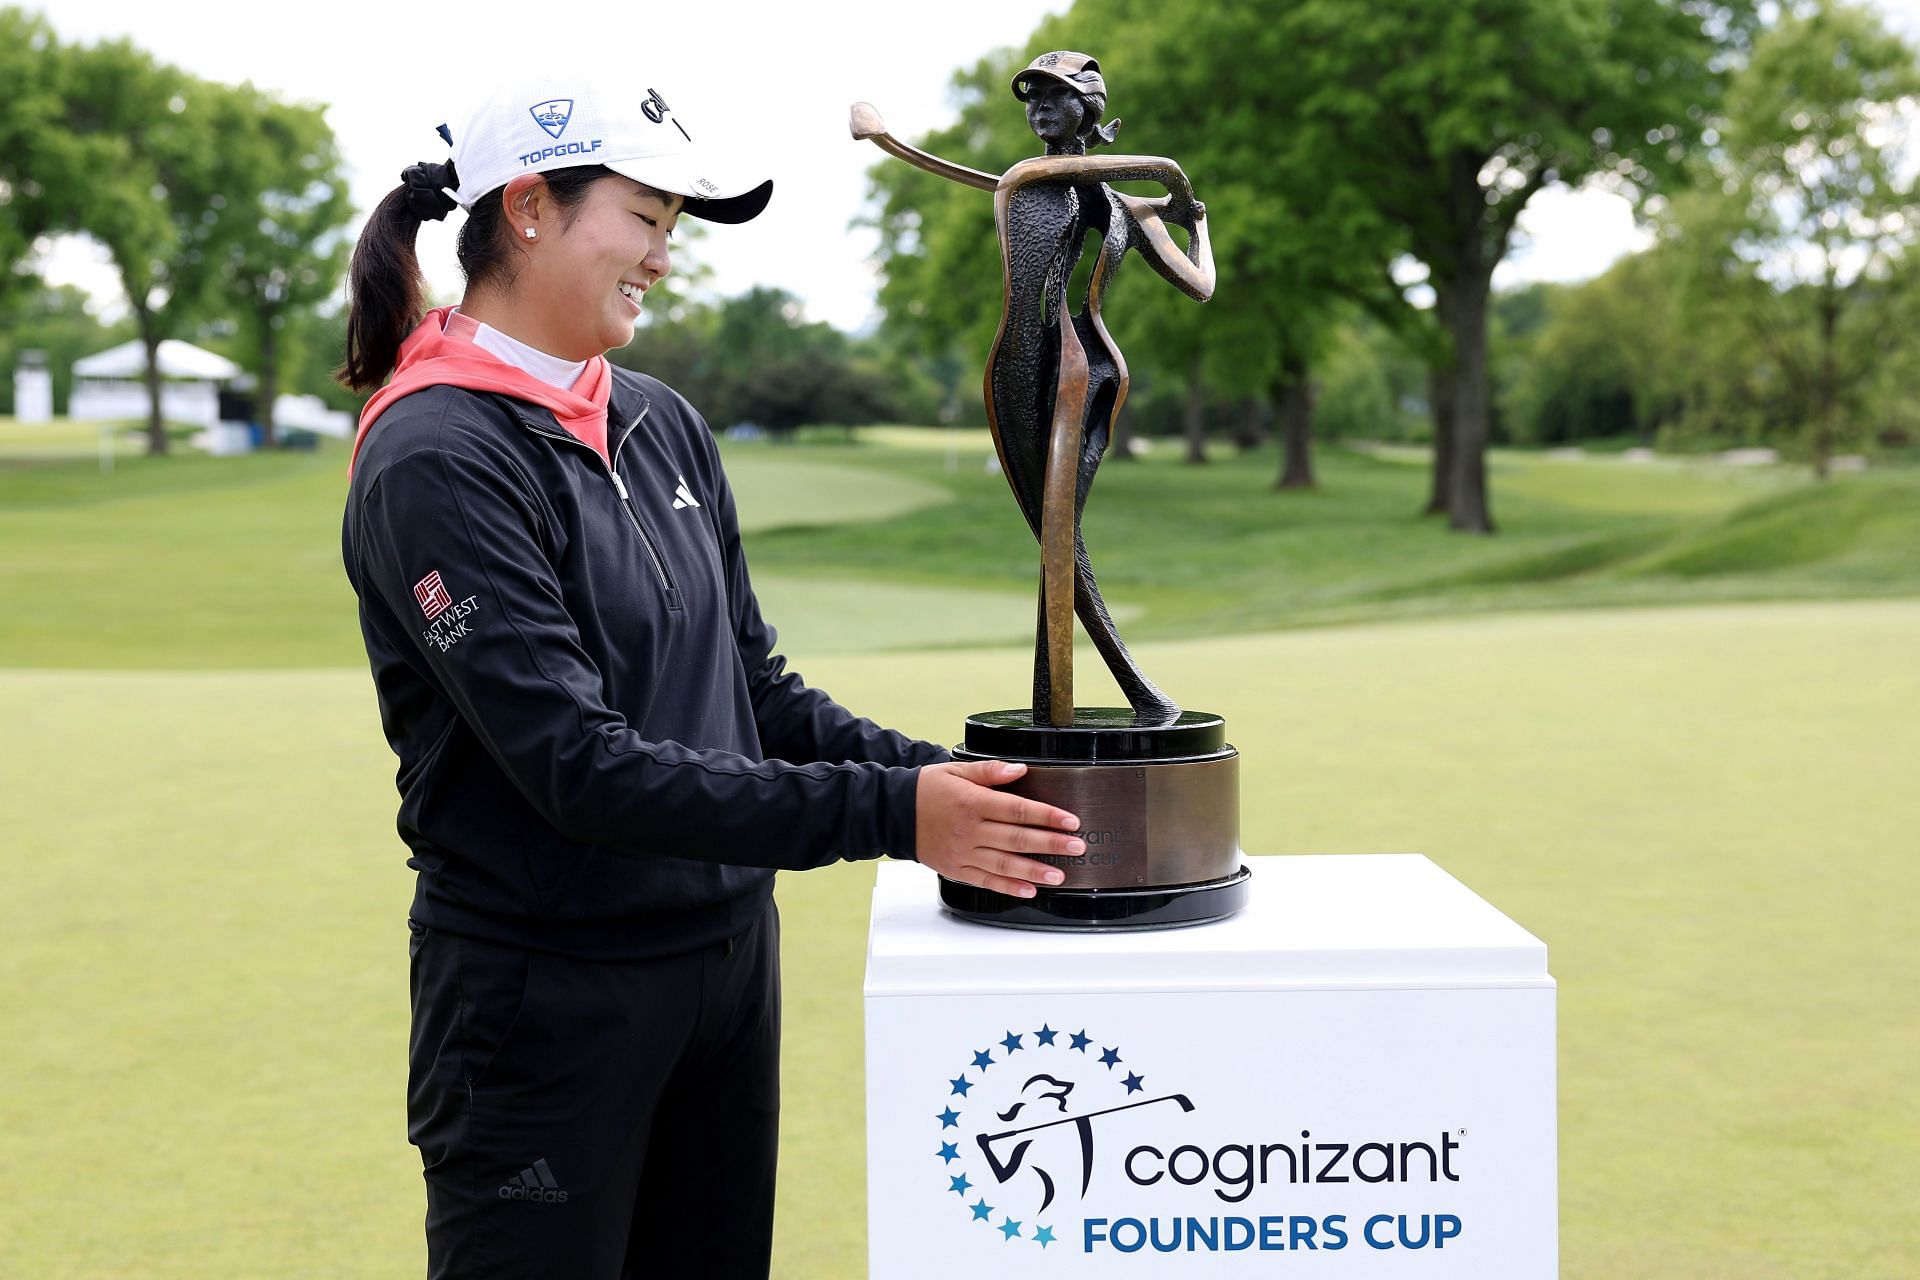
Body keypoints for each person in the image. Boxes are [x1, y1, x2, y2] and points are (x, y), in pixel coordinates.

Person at [337, 75, 1083, 1280]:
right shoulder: (435, 453)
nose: (661, 259)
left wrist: (954, 776)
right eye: (642, 218)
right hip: (547, 999)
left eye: (669, 230)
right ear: (528, 208)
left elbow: (758, 695)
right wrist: (897, 814)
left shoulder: (659, 420)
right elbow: (579, 768)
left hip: (728, 969)